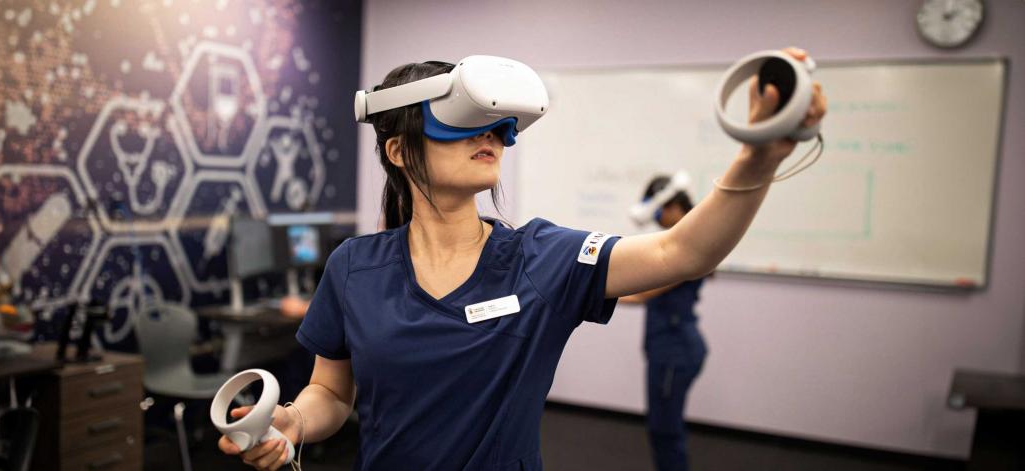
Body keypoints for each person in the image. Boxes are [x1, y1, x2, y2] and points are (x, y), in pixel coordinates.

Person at [219, 48, 827, 470]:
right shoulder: (354, 266)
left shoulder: (540, 256)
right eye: (462, 123)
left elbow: (683, 250)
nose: (489, 136)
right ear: (399, 150)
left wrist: (759, 157)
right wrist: (293, 424)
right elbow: (330, 390)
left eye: (497, 125)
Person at [620, 173, 707, 471]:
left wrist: (584, 293)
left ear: (672, 207)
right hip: (669, 345)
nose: (656, 217)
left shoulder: (686, 250)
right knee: (663, 427)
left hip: (675, 350)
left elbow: (642, 293)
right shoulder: (680, 243)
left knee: (665, 429)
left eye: (659, 210)